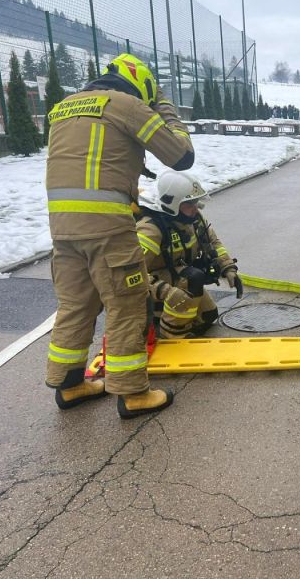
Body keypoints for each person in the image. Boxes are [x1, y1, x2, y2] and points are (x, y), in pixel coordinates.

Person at [45, 53, 194, 418]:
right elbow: (181, 156)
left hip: (62, 227)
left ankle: (69, 384)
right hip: (108, 228)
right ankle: (133, 394)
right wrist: (163, 108)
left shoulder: (64, 108)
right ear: (141, 85)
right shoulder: (127, 105)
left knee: (76, 305)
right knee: (127, 305)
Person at [136, 171, 242, 338]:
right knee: (193, 278)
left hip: (176, 276)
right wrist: (163, 290)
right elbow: (131, 273)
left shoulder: (194, 219)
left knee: (207, 316)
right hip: (151, 284)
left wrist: (228, 268)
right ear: (173, 204)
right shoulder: (151, 229)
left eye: (195, 202)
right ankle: (170, 333)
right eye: (189, 204)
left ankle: (160, 316)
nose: (195, 208)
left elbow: (213, 243)